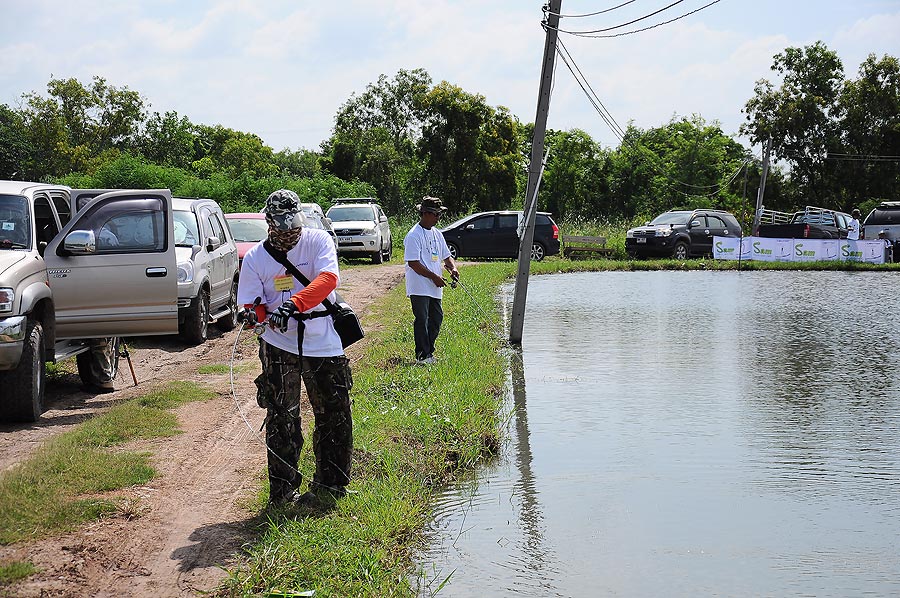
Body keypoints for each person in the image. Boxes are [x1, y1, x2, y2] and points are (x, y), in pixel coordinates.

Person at [237, 189, 353, 508]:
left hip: (323, 339)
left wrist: (295, 305)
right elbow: (252, 304)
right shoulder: (256, 259)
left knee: (334, 414)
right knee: (281, 418)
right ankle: (282, 492)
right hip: (278, 344)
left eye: (293, 227)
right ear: (270, 225)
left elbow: (328, 280)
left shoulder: (318, 241)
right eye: (282, 228)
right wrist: (253, 314)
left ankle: (331, 485)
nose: (289, 234)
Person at [403, 196, 459, 365]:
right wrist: (434, 277)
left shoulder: (437, 234)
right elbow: (413, 263)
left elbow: (446, 256)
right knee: (422, 318)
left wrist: (453, 268)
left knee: (436, 319)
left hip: (435, 286)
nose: (439, 218)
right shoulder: (414, 235)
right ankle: (422, 356)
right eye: (436, 214)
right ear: (425, 213)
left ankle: (429, 352)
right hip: (419, 286)